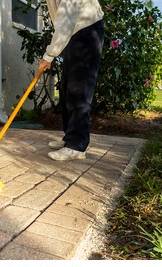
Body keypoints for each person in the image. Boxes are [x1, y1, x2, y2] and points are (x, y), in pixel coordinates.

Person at [39, 0, 105, 161]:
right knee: (67, 88)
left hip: (87, 31)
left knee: (79, 90)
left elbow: (65, 22)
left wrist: (49, 55)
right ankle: (71, 138)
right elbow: (62, 22)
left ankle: (76, 146)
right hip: (75, 33)